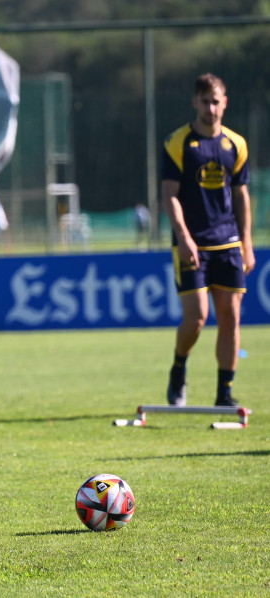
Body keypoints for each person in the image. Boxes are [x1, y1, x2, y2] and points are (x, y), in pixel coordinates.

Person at [162, 73, 255, 408]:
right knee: (197, 316)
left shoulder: (236, 144)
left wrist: (246, 240)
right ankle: (178, 367)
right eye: (205, 102)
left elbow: (240, 194)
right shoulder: (179, 143)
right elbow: (169, 195)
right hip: (193, 243)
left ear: (224, 102)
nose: (211, 108)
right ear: (195, 103)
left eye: (216, 101)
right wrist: (183, 236)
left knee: (230, 316)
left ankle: (224, 392)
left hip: (227, 242)